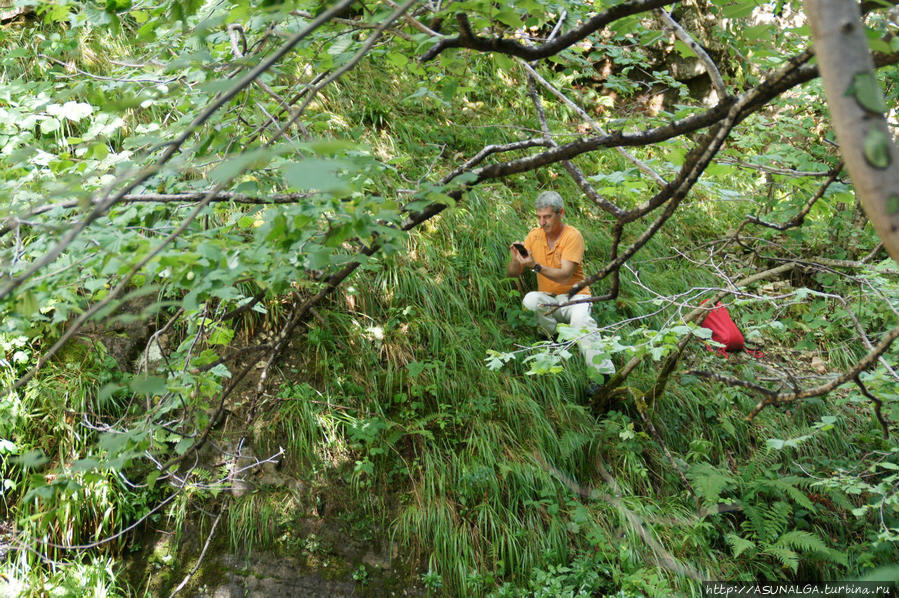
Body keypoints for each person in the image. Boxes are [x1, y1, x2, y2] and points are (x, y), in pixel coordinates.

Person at [506, 191, 615, 380]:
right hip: (550, 300)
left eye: (547, 217)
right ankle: (554, 340)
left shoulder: (573, 236)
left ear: (561, 213)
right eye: (539, 217)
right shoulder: (534, 235)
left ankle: (603, 374)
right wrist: (516, 259)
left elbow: (565, 276)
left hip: (575, 298)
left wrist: (536, 266)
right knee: (530, 300)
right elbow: (513, 274)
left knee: (581, 322)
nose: (542, 222)